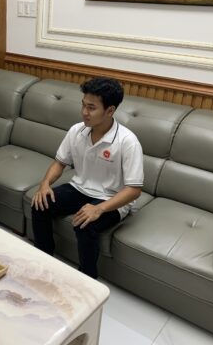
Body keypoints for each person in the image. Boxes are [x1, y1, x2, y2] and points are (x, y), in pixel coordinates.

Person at [31, 77, 144, 278]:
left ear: (110, 111)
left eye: (91, 108)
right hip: (80, 188)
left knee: (86, 224)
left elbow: (134, 190)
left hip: (111, 199)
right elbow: (59, 162)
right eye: (83, 105)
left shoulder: (128, 141)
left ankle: (87, 277)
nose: (84, 112)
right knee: (40, 203)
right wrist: (45, 184)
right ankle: (44, 258)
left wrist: (99, 208)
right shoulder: (77, 130)